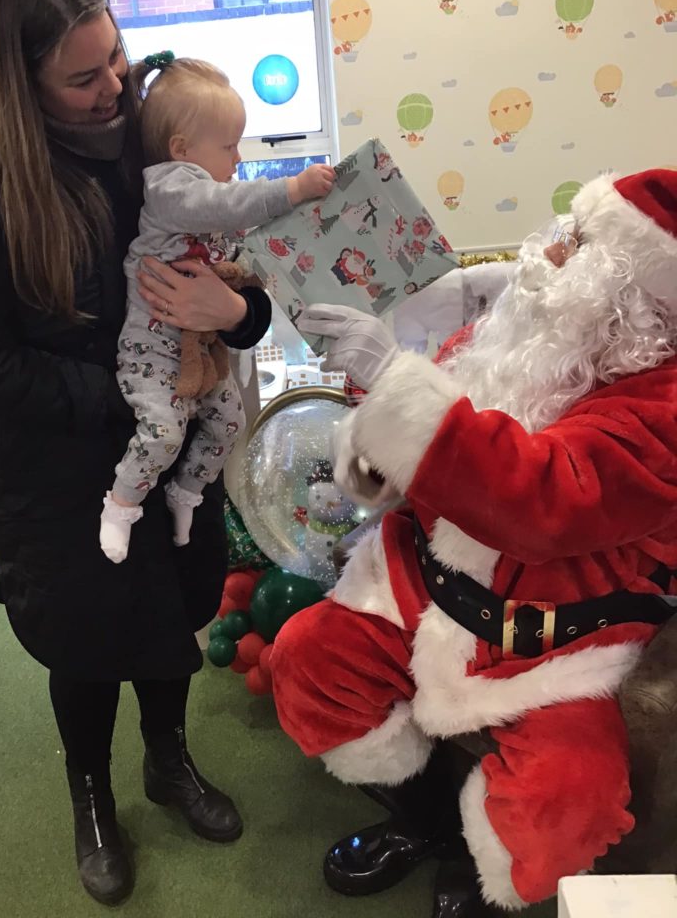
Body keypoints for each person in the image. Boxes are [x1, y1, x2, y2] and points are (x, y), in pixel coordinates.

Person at [0, 0, 274, 907]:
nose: (114, 85)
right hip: (50, 462)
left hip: (169, 427)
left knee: (174, 606)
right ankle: (93, 797)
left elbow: (239, 265)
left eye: (115, 56)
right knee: (85, 636)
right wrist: (140, 393)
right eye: (83, 77)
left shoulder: (141, 122)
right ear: (16, 78)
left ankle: (167, 759)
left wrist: (237, 317)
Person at [270, 169, 677, 914]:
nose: (552, 252)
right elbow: (412, 454)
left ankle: (484, 861)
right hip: (418, 588)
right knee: (309, 662)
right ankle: (426, 820)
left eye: (581, 244)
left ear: (637, 299)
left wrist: (394, 383)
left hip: (554, 649)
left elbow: (545, 497)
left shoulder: (665, 409)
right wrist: (373, 447)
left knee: (569, 798)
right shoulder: (523, 337)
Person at [100, 52, 334, 561]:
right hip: (150, 350)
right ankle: (120, 505)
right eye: (229, 146)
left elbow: (244, 249)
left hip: (201, 349)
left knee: (229, 422)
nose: (238, 159)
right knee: (163, 433)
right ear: (181, 149)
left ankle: (185, 492)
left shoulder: (206, 199)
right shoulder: (170, 187)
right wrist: (292, 188)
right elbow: (227, 205)